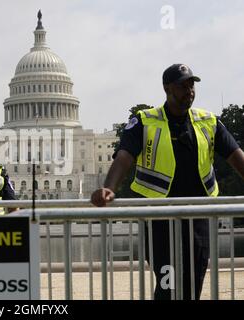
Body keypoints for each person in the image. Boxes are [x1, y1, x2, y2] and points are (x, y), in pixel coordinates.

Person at [91, 64, 244, 300]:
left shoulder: (208, 121)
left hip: (198, 218)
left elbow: (237, 157)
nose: (189, 90)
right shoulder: (145, 121)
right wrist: (108, 188)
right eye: (182, 85)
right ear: (167, 88)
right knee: (168, 287)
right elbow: (124, 158)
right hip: (160, 220)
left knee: (193, 286)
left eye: (191, 85)